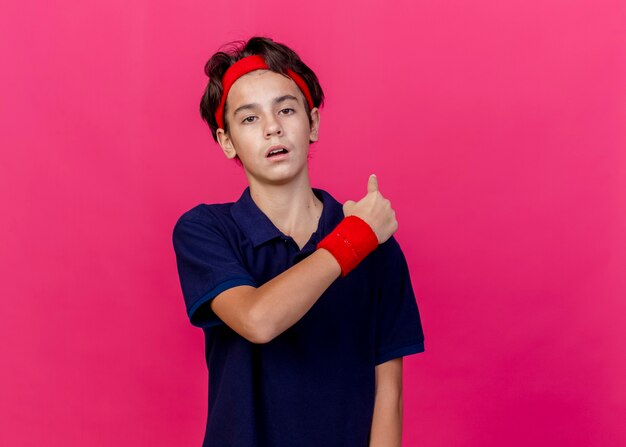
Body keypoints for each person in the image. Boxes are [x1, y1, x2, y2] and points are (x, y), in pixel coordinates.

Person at [172, 36, 425, 447]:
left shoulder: (377, 248)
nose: (273, 127)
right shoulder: (207, 229)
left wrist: (362, 238)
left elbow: (389, 395)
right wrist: (355, 238)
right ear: (226, 141)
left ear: (313, 123)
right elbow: (258, 320)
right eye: (249, 119)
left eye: (286, 109)